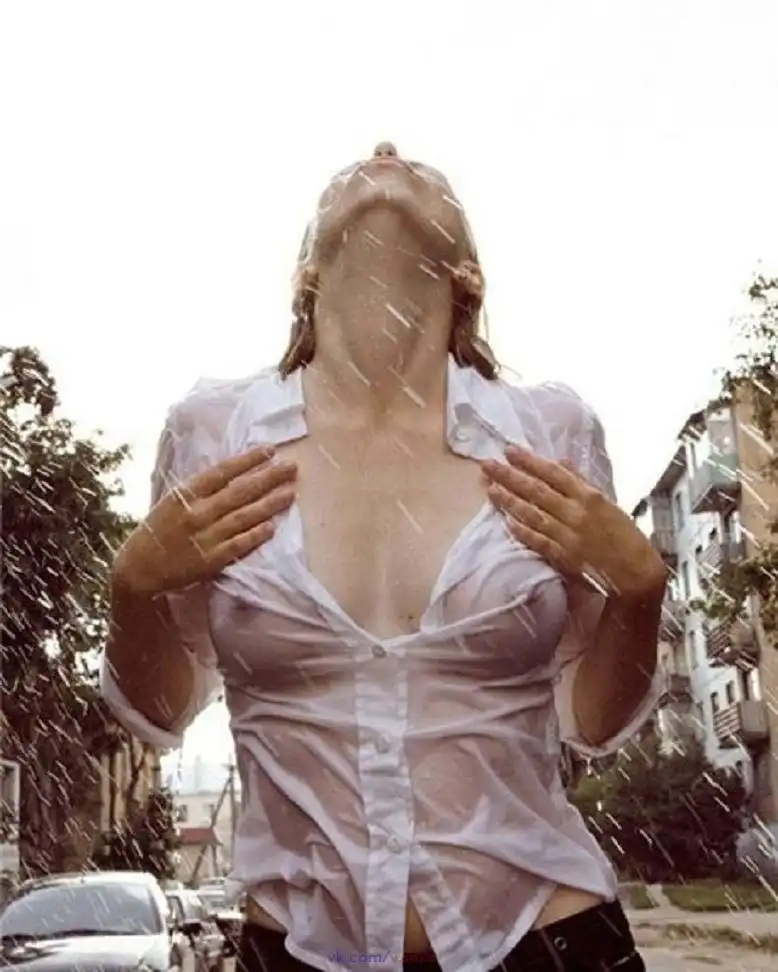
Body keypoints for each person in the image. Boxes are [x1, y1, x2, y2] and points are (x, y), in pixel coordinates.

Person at [102, 141, 667, 972]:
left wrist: (641, 592)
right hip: (294, 951)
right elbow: (163, 710)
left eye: (426, 173)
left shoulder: (552, 432)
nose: (387, 151)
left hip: (551, 941)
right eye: (365, 165)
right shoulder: (211, 433)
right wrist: (132, 591)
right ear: (305, 275)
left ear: (467, 276)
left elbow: (593, 721)